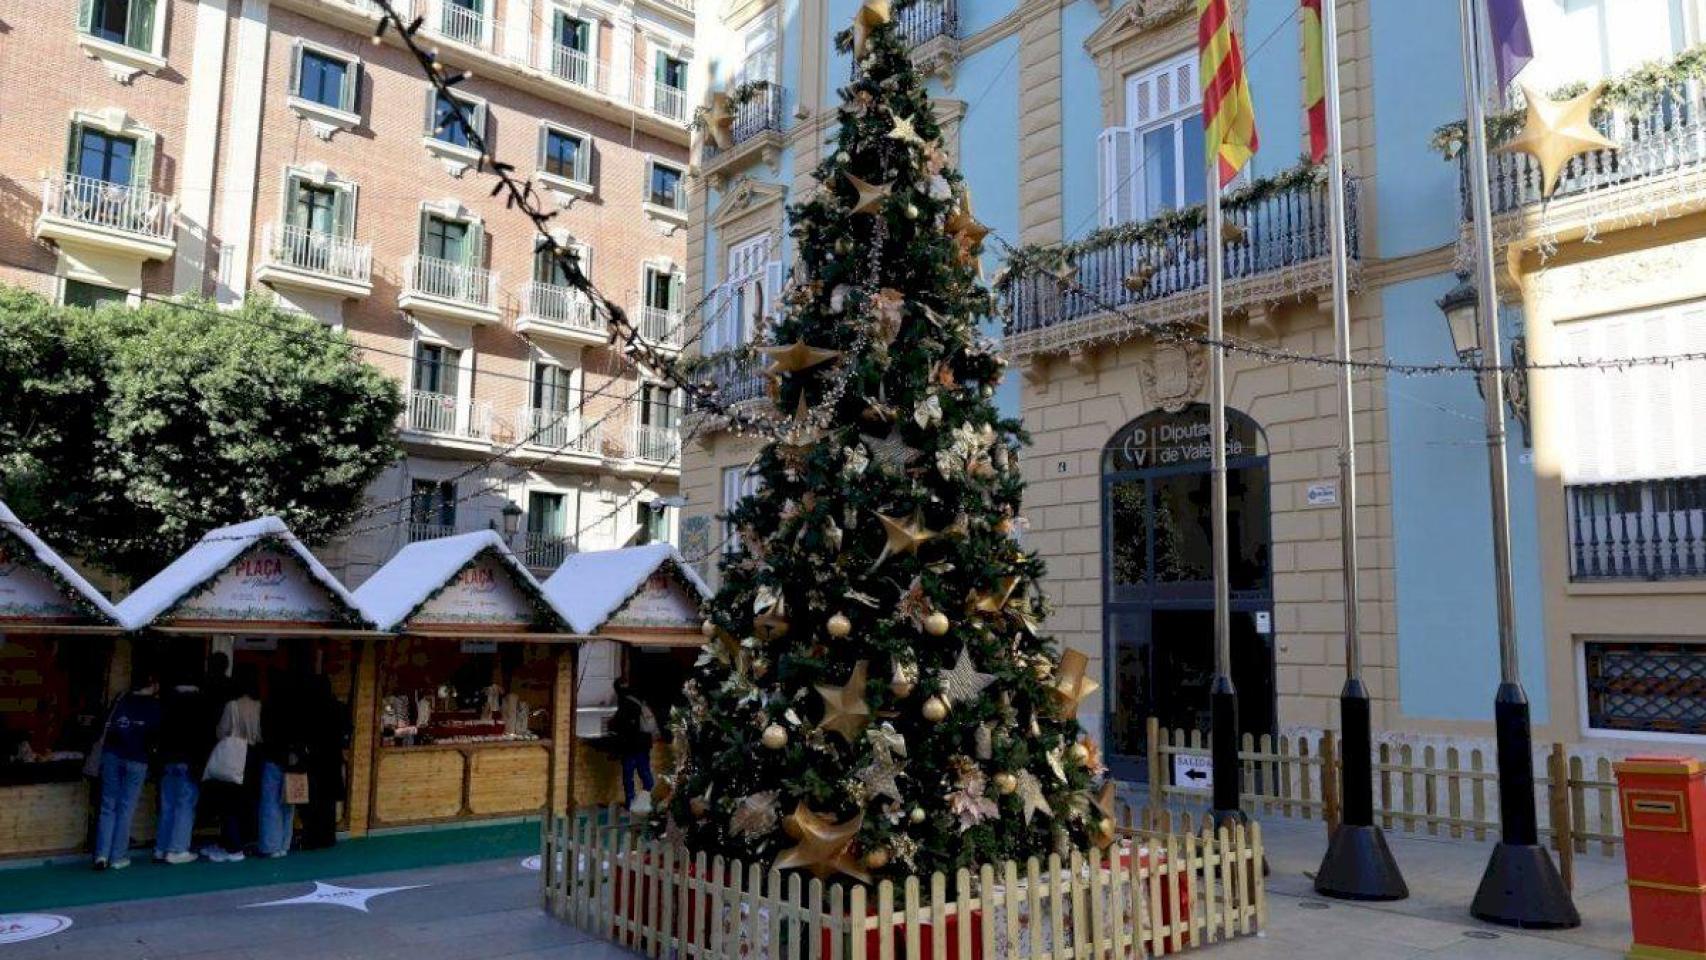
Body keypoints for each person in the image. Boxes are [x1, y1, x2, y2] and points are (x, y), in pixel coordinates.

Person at [92, 672, 161, 870]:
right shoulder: (154, 706)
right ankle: (118, 855)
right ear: (153, 684)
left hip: (112, 754)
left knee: (108, 805)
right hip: (137, 758)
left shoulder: (120, 698)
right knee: (126, 807)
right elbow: (155, 736)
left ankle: (101, 854)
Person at [153, 656, 212, 864]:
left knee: (167, 804)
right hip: (189, 760)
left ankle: (161, 847)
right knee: (185, 805)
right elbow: (204, 736)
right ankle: (177, 849)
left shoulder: (167, 701)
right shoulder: (201, 703)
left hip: (167, 759)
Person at [203, 664, 261, 863]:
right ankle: (247, 840)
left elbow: (221, 731)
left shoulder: (232, 706)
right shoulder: (259, 706)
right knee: (248, 802)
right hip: (253, 756)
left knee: (229, 804)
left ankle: (232, 846)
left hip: (235, 755)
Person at [297, 673, 350, 850]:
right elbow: (348, 730)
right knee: (329, 802)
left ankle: (312, 838)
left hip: (315, 759)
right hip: (333, 758)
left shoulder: (310, 708)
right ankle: (328, 837)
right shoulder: (339, 707)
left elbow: (304, 734)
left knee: (313, 800)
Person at [257, 669, 301, 858]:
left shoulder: (267, 706)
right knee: (289, 803)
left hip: (273, 757)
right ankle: (285, 843)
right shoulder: (296, 706)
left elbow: (262, 734)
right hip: (292, 760)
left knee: (270, 802)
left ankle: (270, 845)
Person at [611, 679, 657, 813]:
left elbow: (620, 724)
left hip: (631, 746)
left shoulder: (625, 703)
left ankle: (631, 802)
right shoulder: (639, 700)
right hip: (643, 744)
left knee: (629, 775)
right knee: (645, 772)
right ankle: (647, 800)